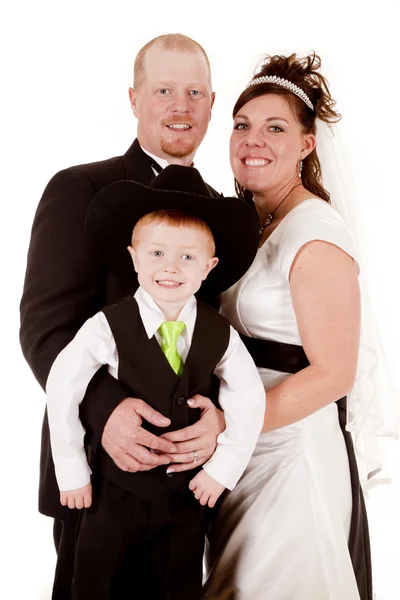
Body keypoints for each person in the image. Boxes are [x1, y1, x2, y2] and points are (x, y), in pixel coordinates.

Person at [19, 33, 224, 599]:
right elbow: (46, 328)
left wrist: (220, 420)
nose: (180, 106)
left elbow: (217, 340)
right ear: (134, 99)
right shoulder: (79, 189)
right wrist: (105, 413)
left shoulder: (222, 214)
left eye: (194, 92)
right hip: (94, 476)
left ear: (211, 103)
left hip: (186, 487)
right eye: (164, 90)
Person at [45, 165, 265, 599]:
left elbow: (249, 397)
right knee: (96, 582)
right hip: (112, 493)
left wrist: (223, 469)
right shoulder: (106, 326)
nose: (171, 267)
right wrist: (71, 472)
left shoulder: (220, 333)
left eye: (187, 257)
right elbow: (62, 387)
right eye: (157, 254)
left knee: (177, 585)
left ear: (209, 267)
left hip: (184, 499)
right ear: (134, 258)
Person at [202, 53, 372, 600]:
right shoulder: (246, 222)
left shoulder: (315, 232)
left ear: (306, 144)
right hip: (240, 455)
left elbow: (333, 373)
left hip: (290, 459)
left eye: (276, 128)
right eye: (242, 126)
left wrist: (227, 425)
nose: (254, 140)